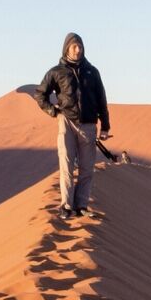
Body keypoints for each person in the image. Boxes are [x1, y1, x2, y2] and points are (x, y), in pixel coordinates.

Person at [34, 32, 110, 217]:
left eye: (80, 46)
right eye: (74, 46)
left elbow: (101, 99)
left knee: (87, 167)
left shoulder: (92, 71)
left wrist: (105, 126)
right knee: (66, 164)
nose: (78, 50)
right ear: (67, 48)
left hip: (89, 124)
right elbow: (40, 95)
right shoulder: (56, 71)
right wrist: (54, 111)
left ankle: (81, 206)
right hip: (66, 122)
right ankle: (66, 206)